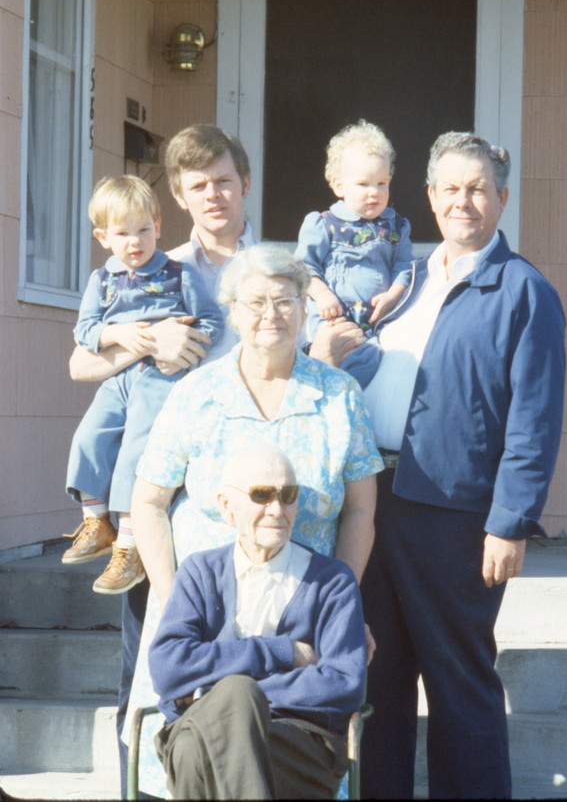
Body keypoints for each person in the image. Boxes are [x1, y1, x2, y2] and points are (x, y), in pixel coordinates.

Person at [347, 131, 565, 799]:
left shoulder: (524, 291)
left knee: (459, 681)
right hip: (372, 502)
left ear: (501, 198)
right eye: (450, 188)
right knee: (377, 681)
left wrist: (511, 521)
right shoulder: (406, 277)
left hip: (457, 516)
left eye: (477, 188)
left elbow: (536, 416)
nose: (463, 200)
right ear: (431, 197)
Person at [126, 243, 382, 797]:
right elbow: (147, 501)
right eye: (256, 301)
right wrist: (175, 603)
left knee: (256, 739)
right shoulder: (197, 393)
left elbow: (361, 509)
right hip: (205, 620)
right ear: (233, 311)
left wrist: (342, 606)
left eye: (286, 300)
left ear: (305, 308)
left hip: (302, 622)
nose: (271, 313)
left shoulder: (339, 396)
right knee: (207, 729)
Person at [67, 124, 256, 797]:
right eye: (198, 184)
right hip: (167, 502)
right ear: (177, 194)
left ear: (245, 184)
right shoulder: (150, 265)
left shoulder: (279, 268)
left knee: (245, 656)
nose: (214, 194)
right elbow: (79, 361)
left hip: (256, 495)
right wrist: (144, 342)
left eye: (224, 180)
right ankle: (144, 787)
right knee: (150, 652)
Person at [149, 443, 366, 800]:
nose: (277, 510)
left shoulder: (332, 581)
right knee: (197, 738)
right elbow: (167, 669)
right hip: (200, 730)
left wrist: (231, 696)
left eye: (288, 495)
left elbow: (344, 682)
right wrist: (280, 653)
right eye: (261, 495)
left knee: (206, 734)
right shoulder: (199, 572)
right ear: (225, 505)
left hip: (297, 743)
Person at [62, 175, 224, 595]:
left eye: (143, 230)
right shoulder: (103, 280)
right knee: (89, 435)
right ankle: (97, 522)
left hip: (159, 376)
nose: (135, 242)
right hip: (118, 377)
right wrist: (120, 335)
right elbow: (85, 330)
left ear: (158, 225)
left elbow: (211, 320)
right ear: (103, 237)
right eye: (122, 233)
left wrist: (184, 351)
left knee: (137, 448)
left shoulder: (177, 272)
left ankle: (131, 544)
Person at [295, 120, 413, 387]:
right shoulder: (324, 223)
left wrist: (393, 295)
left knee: (380, 364)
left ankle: (357, 410)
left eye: (382, 183)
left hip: (377, 320)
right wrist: (322, 294)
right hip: (332, 319)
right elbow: (303, 267)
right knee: (334, 364)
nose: (374, 193)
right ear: (339, 186)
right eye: (363, 184)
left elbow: (405, 266)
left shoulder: (396, 226)